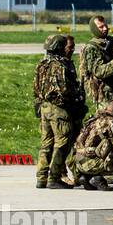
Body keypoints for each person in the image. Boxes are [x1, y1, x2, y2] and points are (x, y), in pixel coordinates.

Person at [33, 34, 86, 189]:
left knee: (46, 144)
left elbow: (36, 87)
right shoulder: (61, 65)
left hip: (44, 107)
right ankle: (54, 178)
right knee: (62, 143)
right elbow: (65, 90)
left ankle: (41, 177)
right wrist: (76, 99)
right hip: (59, 109)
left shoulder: (41, 64)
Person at [70, 100, 113, 191]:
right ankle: (102, 178)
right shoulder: (112, 121)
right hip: (92, 164)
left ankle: (86, 177)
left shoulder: (93, 119)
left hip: (78, 162)